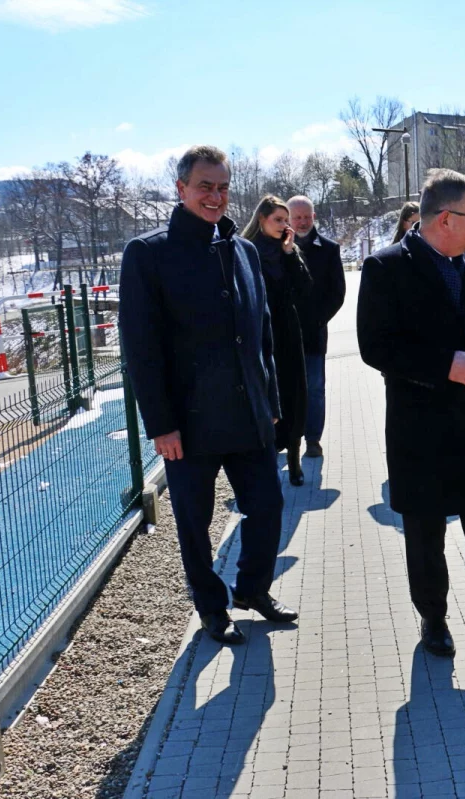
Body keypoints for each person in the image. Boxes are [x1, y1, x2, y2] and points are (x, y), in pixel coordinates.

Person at [120, 145, 298, 646]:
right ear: (181, 190)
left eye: (222, 187)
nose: (216, 196)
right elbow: (141, 348)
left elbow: (262, 334)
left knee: (267, 508)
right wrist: (160, 424)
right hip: (190, 425)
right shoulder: (149, 253)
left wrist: (272, 405)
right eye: (205, 187)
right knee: (195, 528)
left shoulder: (241, 251)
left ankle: (253, 590)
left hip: (249, 417)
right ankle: (212, 608)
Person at [357, 169, 465, 664]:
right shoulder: (386, 268)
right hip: (421, 429)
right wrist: (445, 365)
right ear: (444, 218)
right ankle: (433, 619)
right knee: (426, 536)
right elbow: (375, 347)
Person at [242, 194, 312, 486]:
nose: (285, 225)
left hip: (287, 333)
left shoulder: (288, 251)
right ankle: (265, 461)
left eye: (286, 220)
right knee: (266, 394)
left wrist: (290, 254)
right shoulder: (246, 252)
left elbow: (305, 288)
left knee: (294, 395)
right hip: (259, 335)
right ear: (262, 220)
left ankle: (295, 460)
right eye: (278, 220)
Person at [287, 195, 345, 458]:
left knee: (315, 388)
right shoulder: (275, 248)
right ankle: (286, 438)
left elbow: (337, 293)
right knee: (282, 387)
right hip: (280, 334)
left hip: (313, 333)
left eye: (306, 217)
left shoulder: (329, 249)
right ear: (288, 218)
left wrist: (317, 320)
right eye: (297, 217)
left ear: (314, 217)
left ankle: (313, 440)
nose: (302, 222)